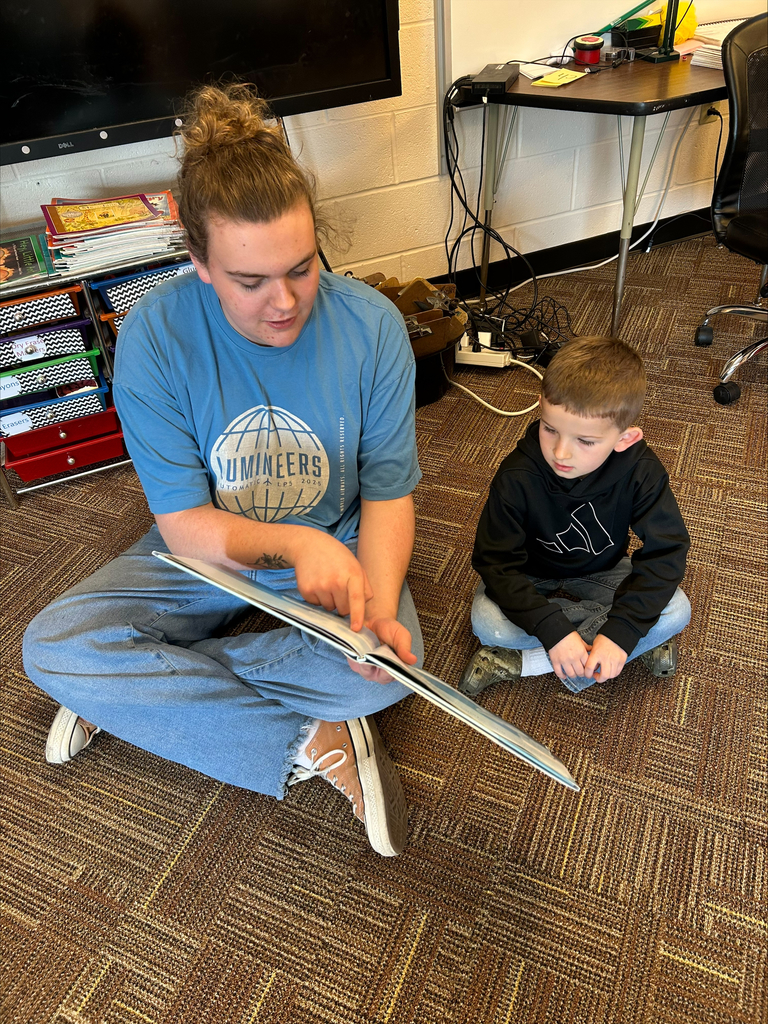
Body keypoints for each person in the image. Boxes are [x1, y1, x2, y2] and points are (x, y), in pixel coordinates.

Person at [22, 83, 424, 858]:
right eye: (250, 282)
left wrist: (370, 615)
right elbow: (186, 528)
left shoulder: (372, 326)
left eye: (302, 269)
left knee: (381, 671)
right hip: (212, 547)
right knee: (51, 648)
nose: (285, 302)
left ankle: (135, 691)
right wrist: (296, 547)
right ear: (199, 258)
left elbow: (386, 493)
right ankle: (317, 737)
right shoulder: (152, 337)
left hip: (341, 545)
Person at [460, 336, 691, 696]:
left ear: (625, 439)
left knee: (678, 610)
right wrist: (554, 628)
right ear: (540, 407)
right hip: (530, 574)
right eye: (549, 429)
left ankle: (529, 663)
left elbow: (667, 551)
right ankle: (615, 644)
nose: (561, 452)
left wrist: (621, 630)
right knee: (487, 624)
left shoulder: (641, 470)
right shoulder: (517, 475)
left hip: (604, 570)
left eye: (585, 441)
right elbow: (494, 562)